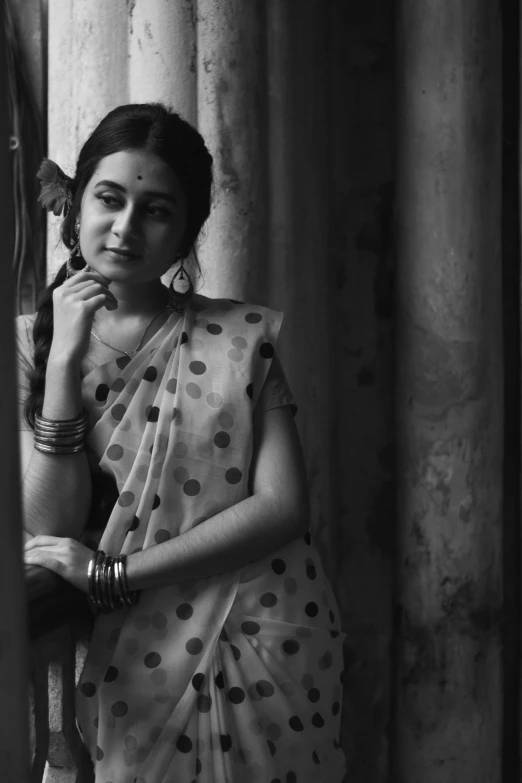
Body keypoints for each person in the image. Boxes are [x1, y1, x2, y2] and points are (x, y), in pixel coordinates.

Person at [17, 102, 346, 783]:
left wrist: (114, 574)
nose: (127, 227)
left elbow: (284, 507)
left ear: (187, 231)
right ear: (76, 206)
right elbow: (45, 523)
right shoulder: (24, 344)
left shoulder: (237, 338)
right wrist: (61, 365)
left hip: (253, 631)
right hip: (121, 660)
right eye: (109, 199)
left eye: (158, 210)